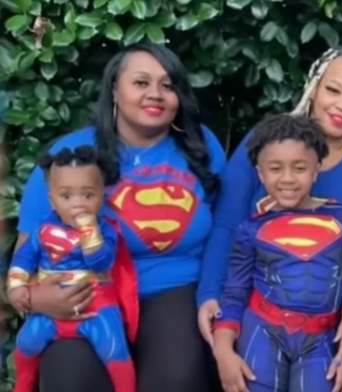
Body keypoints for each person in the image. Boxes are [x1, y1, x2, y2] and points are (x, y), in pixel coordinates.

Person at [197, 46, 342, 392]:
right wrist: (210, 292)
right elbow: (228, 224)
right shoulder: (269, 142)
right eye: (333, 90)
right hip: (266, 288)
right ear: (314, 88)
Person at [15, 42, 226, 392]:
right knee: (71, 378)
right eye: (141, 83)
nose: (155, 94)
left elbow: (228, 231)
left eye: (168, 85)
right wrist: (35, 298)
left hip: (172, 287)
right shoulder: (67, 157)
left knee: (176, 379)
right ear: (115, 88)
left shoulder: (201, 146)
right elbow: (26, 252)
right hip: (85, 290)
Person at [212, 114, 342, 392]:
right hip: (262, 331)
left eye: (299, 168)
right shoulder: (251, 228)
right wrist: (223, 352)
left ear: (316, 169)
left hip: (321, 337)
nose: (287, 179)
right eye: (275, 168)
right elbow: (234, 293)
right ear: (260, 173)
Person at [9, 146, 137, 392]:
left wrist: (88, 230)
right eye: (66, 196)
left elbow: (101, 262)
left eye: (87, 196)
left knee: (114, 350)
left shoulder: (106, 231)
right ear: (52, 201)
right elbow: (23, 260)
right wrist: (17, 288)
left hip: (96, 306)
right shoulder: (42, 231)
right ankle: (22, 386)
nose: (77, 204)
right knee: (25, 343)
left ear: (101, 197)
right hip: (49, 312)